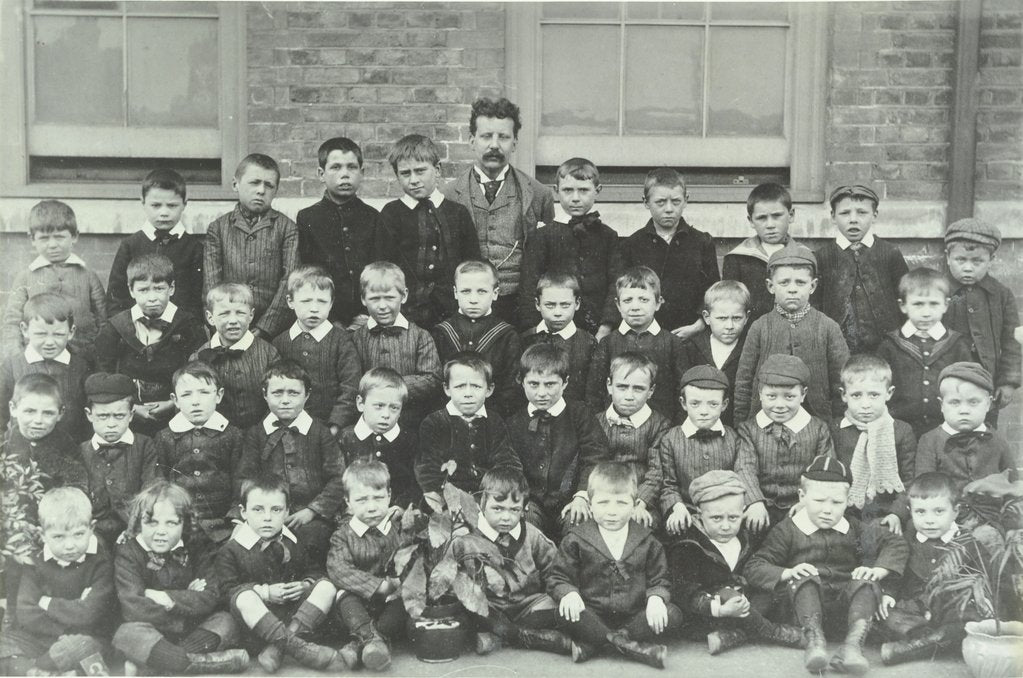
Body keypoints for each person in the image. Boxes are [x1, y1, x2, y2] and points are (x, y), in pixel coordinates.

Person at [744, 455, 909, 675]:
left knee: (866, 580)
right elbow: (755, 565)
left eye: (837, 502)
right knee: (804, 576)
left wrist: (877, 570)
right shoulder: (788, 530)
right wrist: (787, 572)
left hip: (845, 614)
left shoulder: (855, 528)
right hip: (803, 613)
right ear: (802, 496)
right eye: (819, 501)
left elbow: (895, 543)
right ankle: (814, 643)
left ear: (848, 500)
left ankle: (852, 647)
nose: (827, 510)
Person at [213, 474, 353, 673]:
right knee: (244, 598)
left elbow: (313, 570)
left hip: (294, 618)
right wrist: (264, 592)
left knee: (326, 587)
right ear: (243, 512)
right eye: (258, 510)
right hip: (256, 626)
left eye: (276, 510)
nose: (267, 517)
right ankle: (298, 649)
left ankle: (280, 646)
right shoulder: (232, 549)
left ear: (287, 511)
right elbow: (226, 591)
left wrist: (305, 584)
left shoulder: (294, 540)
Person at [548, 462, 683, 668]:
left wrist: (656, 598)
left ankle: (600, 643)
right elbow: (559, 576)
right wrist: (569, 593)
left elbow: (660, 579)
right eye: (603, 503)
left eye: (621, 503)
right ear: (590, 504)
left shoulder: (647, 540)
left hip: (633, 615)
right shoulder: (576, 538)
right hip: (592, 614)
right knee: (564, 612)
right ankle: (627, 645)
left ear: (634, 504)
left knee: (672, 613)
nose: (612, 511)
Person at [112, 481, 248, 675]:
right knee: (127, 633)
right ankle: (204, 663)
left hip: (191, 632)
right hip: (151, 632)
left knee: (226, 620)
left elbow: (211, 595)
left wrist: (168, 599)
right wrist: (187, 600)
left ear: (184, 523)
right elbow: (133, 607)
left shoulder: (196, 546)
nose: (161, 531)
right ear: (138, 522)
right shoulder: (129, 551)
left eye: (171, 523)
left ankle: (156, 666)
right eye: (151, 522)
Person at [441, 97, 555, 325]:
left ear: (514, 143)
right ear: (472, 141)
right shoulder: (448, 195)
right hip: (467, 308)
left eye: (503, 137)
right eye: (486, 136)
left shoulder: (539, 195)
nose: (494, 145)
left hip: (519, 307)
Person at [667, 470, 803, 655]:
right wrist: (719, 609)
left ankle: (733, 636)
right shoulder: (689, 546)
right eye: (716, 518)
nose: (725, 526)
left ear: (743, 513)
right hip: (709, 615)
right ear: (699, 514)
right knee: (728, 592)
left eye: (733, 518)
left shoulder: (747, 537)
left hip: (743, 609)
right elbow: (684, 591)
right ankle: (772, 632)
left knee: (773, 590)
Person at [449, 468, 574, 657]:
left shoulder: (532, 535)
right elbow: (452, 577)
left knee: (562, 608)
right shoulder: (467, 539)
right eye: (497, 509)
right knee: (469, 612)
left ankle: (503, 636)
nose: (506, 517)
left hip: (528, 606)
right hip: (491, 608)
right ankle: (523, 636)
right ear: (481, 504)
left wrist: (564, 595)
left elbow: (555, 571)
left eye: (514, 510)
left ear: (524, 509)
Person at [237, 360, 346, 567]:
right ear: (264, 395)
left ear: (307, 395)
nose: (285, 400)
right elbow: (245, 477)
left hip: (310, 515)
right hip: (267, 513)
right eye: (277, 393)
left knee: (311, 540)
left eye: (293, 393)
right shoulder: (256, 434)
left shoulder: (320, 432)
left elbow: (338, 477)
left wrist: (313, 510)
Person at [1, 373, 89, 624]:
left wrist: (53, 519)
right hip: (11, 525)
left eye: (47, 413)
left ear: (61, 413)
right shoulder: (6, 444)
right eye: (29, 411)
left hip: (50, 527)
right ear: (13, 409)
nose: (37, 421)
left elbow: (76, 486)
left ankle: (41, 616)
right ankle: (11, 612)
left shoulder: (65, 445)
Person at [0, 487, 114, 676]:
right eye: (59, 537)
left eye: (78, 534)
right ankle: (43, 670)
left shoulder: (100, 563)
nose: (70, 545)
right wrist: (65, 624)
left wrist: (47, 602)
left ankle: (35, 669)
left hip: (84, 637)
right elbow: (26, 611)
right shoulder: (35, 562)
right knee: (4, 643)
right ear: (43, 535)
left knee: (80, 646)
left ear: (91, 528)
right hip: (42, 638)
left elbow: (91, 613)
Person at [733, 243, 850, 423]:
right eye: (784, 282)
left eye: (801, 282)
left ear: (813, 286)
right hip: (765, 420)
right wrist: (741, 425)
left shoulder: (828, 327)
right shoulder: (759, 327)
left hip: (816, 421)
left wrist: (837, 424)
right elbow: (744, 382)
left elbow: (842, 381)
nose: (792, 289)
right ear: (770, 286)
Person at [95, 253, 207, 435]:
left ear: (171, 288)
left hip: (177, 411)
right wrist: (130, 407)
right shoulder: (115, 327)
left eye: (159, 288)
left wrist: (174, 404)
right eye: (143, 290)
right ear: (131, 290)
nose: (152, 297)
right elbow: (103, 373)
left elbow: (198, 371)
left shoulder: (189, 325)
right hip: (128, 414)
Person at [507, 343, 608, 538]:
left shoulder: (580, 414)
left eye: (550, 384)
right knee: (523, 524)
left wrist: (582, 495)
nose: (542, 393)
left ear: (565, 382)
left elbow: (595, 457)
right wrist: (519, 496)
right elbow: (510, 464)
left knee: (578, 521)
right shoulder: (514, 422)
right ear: (522, 382)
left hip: (571, 500)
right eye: (534, 384)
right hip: (531, 501)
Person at [379, 134, 480, 329]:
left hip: (452, 314)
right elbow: (383, 266)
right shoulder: (392, 214)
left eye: (420, 171)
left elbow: (472, 262)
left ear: (437, 170)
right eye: (405, 173)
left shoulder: (457, 213)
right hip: (406, 314)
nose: (414, 180)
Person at [518, 157, 623, 337]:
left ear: (597, 191)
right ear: (556, 191)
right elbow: (529, 285)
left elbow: (616, 283)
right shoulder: (543, 236)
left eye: (583, 190)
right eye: (568, 190)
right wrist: (535, 330)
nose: (575, 198)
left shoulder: (608, 236)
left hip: (597, 330)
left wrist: (606, 326)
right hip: (552, 328)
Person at [878, 472, 975, 665]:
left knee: (969, 620)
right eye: (920, 512)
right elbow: (897, 573)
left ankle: (912, 648)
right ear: (910, 511)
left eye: (939, 511)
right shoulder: (906, 540)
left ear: (955, 511)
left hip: (951, 609)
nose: (929, 520)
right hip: (915, 612)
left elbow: (978, 580)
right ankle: (934, 642)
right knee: (885, 614)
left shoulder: (967, 542)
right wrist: (888, 593)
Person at [734, 355, 836, 535]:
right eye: (771, 396)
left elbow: (825, 470)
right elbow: (745, 467)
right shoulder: (749, 429)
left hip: (801, 506)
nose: (779, 405)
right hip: (761, 509)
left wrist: (808, 502)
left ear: (803, 394)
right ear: (760, 394)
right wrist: (754, 501)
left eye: (789, 397)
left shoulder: (818, 428)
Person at [326, 461, 410, 671]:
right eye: (362, 500)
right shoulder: (343, 535)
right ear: (348, 502)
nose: (371, 507)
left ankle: (361, 645)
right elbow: (338, 569)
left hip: (390, 602)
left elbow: (410, 559)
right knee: (345, 597)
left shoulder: (398, 528)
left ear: (389, 496)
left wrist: (397, 582)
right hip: (357, 605)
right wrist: (378, 585)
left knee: (406, 600)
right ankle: (372, 642)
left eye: (378, 498)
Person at [203, 154, 298, 339]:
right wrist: (224, 324)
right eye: (254, 183)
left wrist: (265, 328)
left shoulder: (287, 228)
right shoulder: (218, 228)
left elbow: (289, 280)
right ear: (235, 184)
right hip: (228, 327)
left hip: (273, 330)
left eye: (269, 185)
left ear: (276, 190)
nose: (261, 190)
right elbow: (211, 283)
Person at [154, 361, 243, 556]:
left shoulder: (232, 435)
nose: (196, 401)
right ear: (175, 400)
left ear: (218, 395)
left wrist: (236, 520)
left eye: (204, 393)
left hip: (224, 526)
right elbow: (161, 481)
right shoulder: (165, 437)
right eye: (186, 395)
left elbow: (241, 480)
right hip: (182, 526)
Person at [1, 200, 106, 361]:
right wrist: (17, 360)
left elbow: (103, 319)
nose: (52, 245)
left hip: (82, 358)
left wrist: (99, 357)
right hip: (38, 358)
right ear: (32, 239)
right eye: (44, 238)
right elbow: (13, 322)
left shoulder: (88, 275)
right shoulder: (26, 277)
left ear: (74, 236)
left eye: (59, 237)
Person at [620, 168, 719, 338]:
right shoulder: (632, 244)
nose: (669, 209)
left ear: (686, 200)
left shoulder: (702, 242)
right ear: (646, 202)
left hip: (691, 332)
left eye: (676, 201)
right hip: (646, 334)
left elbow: (713, 290)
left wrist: (700, 324)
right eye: (660, 202)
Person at [416, 353, 521, 509]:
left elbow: (507, 464)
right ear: (447, 389)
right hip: (447, 502)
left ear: (489, 389)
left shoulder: (494, 421)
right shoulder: (434, 423)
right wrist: (447, 500)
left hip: (488, 499)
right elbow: (428, 470)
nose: (468, 394)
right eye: (459, 386)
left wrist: (494, 496)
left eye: (476, 386)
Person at [876, 268, 972, 438]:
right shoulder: (890, 345)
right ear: (903, 306)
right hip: (900, 428)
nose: (926, 312)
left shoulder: (956, 344)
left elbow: (967, 386)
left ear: (945, 305)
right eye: (918, 304)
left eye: (934, 304)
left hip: (945, 428)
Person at [296, 136, 380, 328]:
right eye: (335, 167)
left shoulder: (373, 217)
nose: (345, 174)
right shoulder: (308, 218)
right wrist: (330, 319)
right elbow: (307, 272)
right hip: (324, 317)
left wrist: (366, 313)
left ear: (362, 173)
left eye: (352, 167)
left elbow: (378, 270)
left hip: (366, 317)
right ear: (321, 173)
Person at [942, 217, 1020, 426]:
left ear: (991, 259)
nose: (968, 268)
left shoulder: (1001, 295)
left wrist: (1008, 382)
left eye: (977, 261)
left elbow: (1012, 342)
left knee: (984, 434)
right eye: (961, 260)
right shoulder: (937, 291)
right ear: (948, 257)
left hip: (986, 381)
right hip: (944, 381)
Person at [814, 184, 909, 354]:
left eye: (862, 212)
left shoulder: (890, 254)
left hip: (885, 347)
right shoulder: (822, 257)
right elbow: (815, 306)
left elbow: (905, 298)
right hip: (838, 348)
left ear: (875, 215)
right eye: (844, 213)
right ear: (833, 216)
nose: (853, 219)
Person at [349, 261, 442, 429]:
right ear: (363, 299)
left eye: (390, 298)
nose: (383, 306)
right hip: (369, 421)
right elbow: (351, 379)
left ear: (404, 296)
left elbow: (432, 378)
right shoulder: (355, 339)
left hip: (410, 422)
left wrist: (392, 388)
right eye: (375, 299)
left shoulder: (420, 336)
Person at [586, 267, 686, 421]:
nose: (635, 307)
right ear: (618, 305)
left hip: (661, 429)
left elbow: (682, 390)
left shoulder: (672, 343)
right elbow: (594, 393)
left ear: (658, 303)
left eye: (644, 300)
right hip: (614, 427)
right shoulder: (608, 343)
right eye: (627, 300)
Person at [272, 266, 361, 433]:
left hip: (330, 428)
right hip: (289, 428)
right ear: (290, 301)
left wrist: (335, 424)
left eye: (322, 301)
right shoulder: (280, 343)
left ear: (331, 303)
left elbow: (350, 386)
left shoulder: (341, 341)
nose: (314, 308)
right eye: (306, 301)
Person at [106, 168, 204, 319]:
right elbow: (116, 298)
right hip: (135, 333)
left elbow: (196, 301)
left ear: (184, 204)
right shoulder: (130, 245)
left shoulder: (194, 248)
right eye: (156, 205)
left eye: (172, 205)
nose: (164, 212)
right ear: (143, 202)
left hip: (179, 332)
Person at [830, 354, 916, 527]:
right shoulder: (835, 429)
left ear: (889, 393)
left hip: (885, 514)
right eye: (856, 395)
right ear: (844, 395)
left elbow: (909, 480)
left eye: (874, 395)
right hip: (843, 514)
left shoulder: (901, 431)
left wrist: (897, 514)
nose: (866, 404)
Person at [659, 366, 745, 536]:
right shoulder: (670, 439)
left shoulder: (733, 438)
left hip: (726, 516)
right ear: (684, 403)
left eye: (713, 404)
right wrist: (677, 507)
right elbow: (669, 484)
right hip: (688, 513)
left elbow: (741, 477)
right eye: (695, 404)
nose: (704, 411)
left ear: (724, 405)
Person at [432, 260, 521, 416]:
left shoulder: (507, 335)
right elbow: (436, 383)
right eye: (466, 291)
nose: (473, 299)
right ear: (455, 292)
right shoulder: (442, 332)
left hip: (492, 417)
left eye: (481, 291)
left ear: (495, 294)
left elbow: (511, 388)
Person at [914, 362, 1020, 493]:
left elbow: (1014, 484)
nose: (964, 410)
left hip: (991, 511)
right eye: (954, 402)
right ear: (942, 405)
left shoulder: (997, 440)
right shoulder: (930, 441)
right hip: (946, 511)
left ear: (988, 404)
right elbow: (924, 487)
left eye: (973, 402)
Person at [79, 372, 159, 545]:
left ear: (131, 415)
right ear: (89, 414)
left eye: (119, 416)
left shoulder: (145, 446)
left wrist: (133, 530)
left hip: (135, 530)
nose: (111, 424)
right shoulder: (81, 451)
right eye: (103, 416)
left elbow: (151, 490)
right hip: (92, 534)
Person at [596, 352, 672, 530]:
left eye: (638, 389)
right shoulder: (596, 422)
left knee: (643, 525)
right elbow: (591, 464)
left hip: (641, 499)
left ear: (650, 391)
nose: (629, 396)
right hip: (603, 496)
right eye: (622, 387)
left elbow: (657, 472)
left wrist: (641, 502)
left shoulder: (660, 425)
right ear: (609, 386)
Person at [0, 293, 89, 439]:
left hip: (69, 452)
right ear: (24, 330)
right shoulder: (12, 366)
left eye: (58, 334)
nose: (49, 342)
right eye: (41, 334)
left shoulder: (81, 367)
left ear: (71, 332)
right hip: (22, 453)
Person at [193, 283, 281, 428]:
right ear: (210, 318)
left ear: (251, 315)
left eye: (240, 313)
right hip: (218, 435)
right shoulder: (200, 357)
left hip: (262, 433)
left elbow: (278, 397)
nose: (233, 320)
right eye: (224, 314)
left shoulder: (269, 354)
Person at [337, 368, 420, 510]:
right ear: (360, 404)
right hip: (355, 512)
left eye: (394, 408)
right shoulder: (346, 438)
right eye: (379, 406)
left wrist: (402, 506)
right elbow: (336, 481)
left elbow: (417, 483)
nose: (386, 414)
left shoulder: (409, 440)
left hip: (395, 513)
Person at [722, 183, 798, 321]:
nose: (770, 225)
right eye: (762, 218)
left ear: (791, 215)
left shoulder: (805, 256)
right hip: (751, 334)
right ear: (751, 221)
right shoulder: (738, 258)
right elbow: (731, 304)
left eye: (777, 216)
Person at [681, 281, 750, 427]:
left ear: (747, 317)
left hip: (736, 427)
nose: (729, 326)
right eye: (722, 318)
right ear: (706, 317)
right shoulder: (692, 348)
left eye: (736, 318)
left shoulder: (749, 348)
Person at [520, 272, 597, 404]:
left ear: (577, 303)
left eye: (565, 305)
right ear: (538, 304)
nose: (557, 313)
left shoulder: (588, 342)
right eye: (550, 305)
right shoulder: (526, 338)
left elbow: (591, 391)